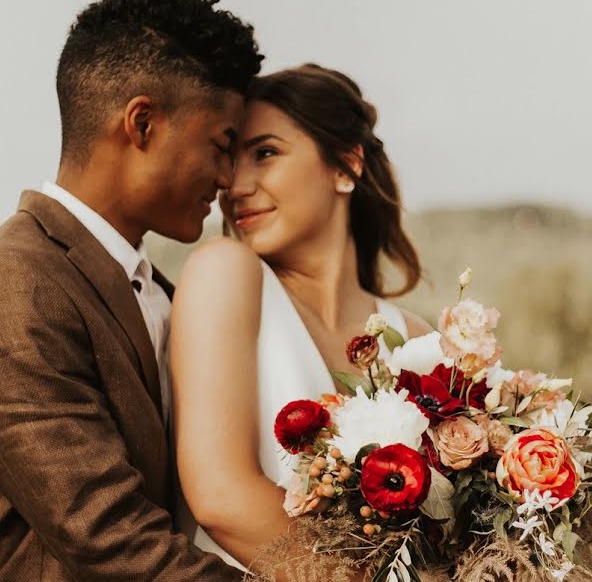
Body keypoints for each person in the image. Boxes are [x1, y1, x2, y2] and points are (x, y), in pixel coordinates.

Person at [0, 0, 262, 579]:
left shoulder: (155, 283)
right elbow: (109, 539)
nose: (226, 177)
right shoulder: (13, 286)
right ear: (142, 124)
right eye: (222, 145)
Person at [170, 64, 431, 574]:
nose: (234, 184)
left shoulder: (420, 341)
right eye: (230, 159)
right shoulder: (225, 273)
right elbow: (220, 496)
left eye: (264, 154)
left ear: (345, 166)